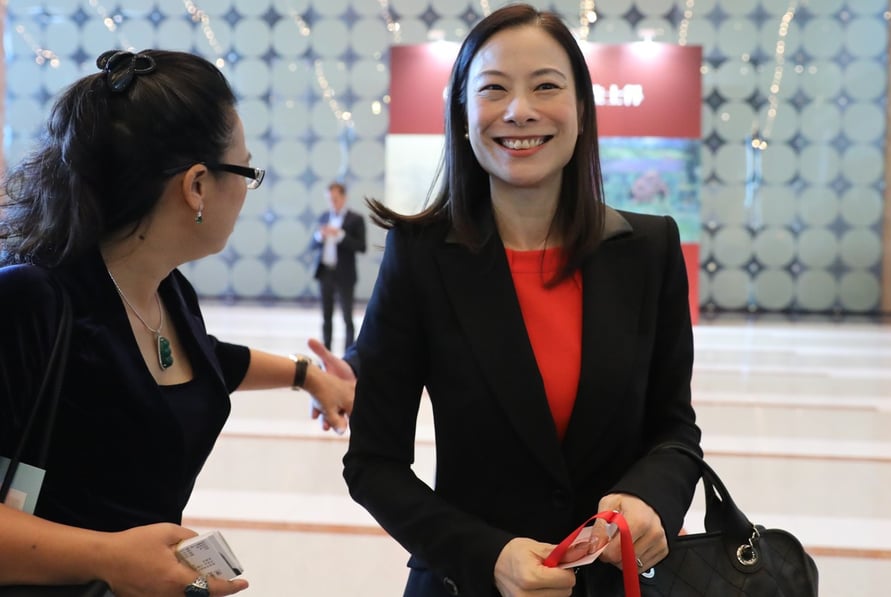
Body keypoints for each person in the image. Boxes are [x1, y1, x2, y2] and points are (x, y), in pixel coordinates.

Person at [336, 5, 703, 596]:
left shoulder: (648, 249)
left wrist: (649, 497)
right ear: (462, 114)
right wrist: (490, 556)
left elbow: (674, 429)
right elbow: (374, 465)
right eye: (493, 90)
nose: (520, 110)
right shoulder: (421, 256)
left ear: (582, 110)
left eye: (546, 87)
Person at [0, 49, 353, 597]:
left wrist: (306, 374)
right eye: (246, 170)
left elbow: (201, 360)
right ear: (196, 186)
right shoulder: (30, 301)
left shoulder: (166, 290)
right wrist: (113, 558)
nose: (246, 190)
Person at [311, 182, 366, 351]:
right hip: (325, 272)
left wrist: (340, 235)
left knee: (347, 317)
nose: (332, 202)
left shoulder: (355, 219)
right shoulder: (324, 217)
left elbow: (361, 246)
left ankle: (348, 353)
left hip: (345, 274)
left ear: (343, 198)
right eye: (329, 199)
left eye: (335, 199)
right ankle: (326, 352)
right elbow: (312, 245)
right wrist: (319, 236)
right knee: (326, 316)